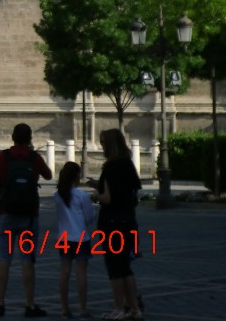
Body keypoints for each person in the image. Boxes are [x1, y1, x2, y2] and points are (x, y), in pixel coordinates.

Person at [0, 123, 53, 318]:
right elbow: (49, 175)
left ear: (12, 137)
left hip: (7, 216)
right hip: (29, 217)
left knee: (4, 260)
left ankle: (0, 303)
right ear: (30, 138)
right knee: (27, 260)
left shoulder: (2, 158)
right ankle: (30, 304)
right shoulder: (34, 158)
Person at [95, 129, 142, 320]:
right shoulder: (128, 165)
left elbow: (107, 198)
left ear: (110, 145)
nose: (101, 146)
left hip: (112, 223)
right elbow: (133, 194)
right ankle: (134, 309)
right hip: (129, 221)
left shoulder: (110, 167)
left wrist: (95, 195)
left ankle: (118, 309)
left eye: (103, 143)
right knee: (126, 267)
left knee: (114, 268)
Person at [53, 161, 95, 318]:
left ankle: (65, 307)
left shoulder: (57, 196)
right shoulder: (82, 195)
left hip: (64, 238)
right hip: (81, 238)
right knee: (81, 273)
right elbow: (90, 216)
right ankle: (83, 308)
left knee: (64, 272)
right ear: (76, 177)